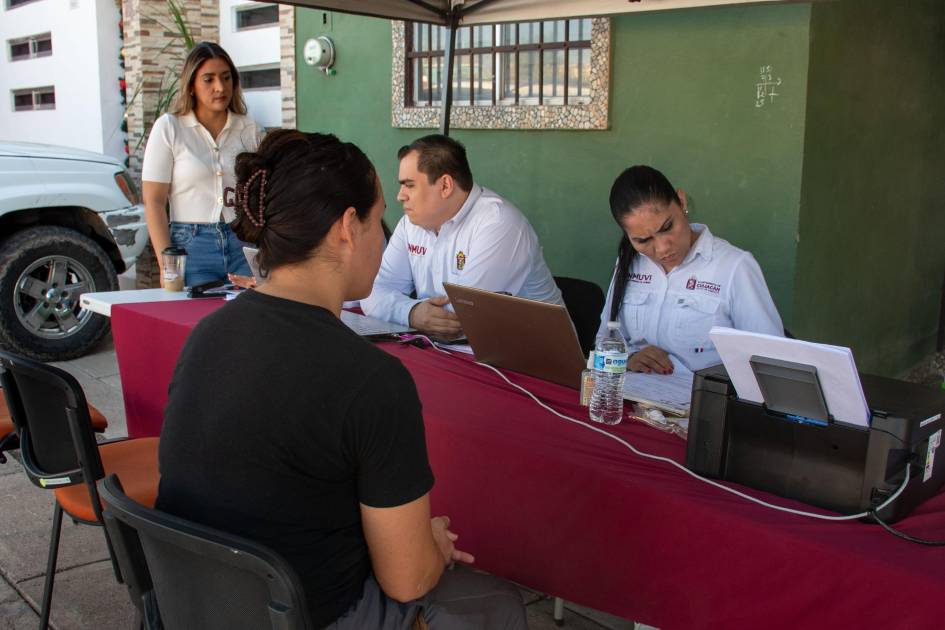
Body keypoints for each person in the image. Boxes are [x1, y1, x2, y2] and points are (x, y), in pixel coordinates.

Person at [156, 129, 528, 630]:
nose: (387, 238)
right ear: (348, 228)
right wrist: (433, 546)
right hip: (305, 615)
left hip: (193, 603)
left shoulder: (208, 333)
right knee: (497, 602)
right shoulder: (371, 380)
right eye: (380, 221)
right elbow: (408, 580)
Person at [361, 134, 563, 338]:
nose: (400, 195)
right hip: (451, 347)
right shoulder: (411, 224)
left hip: (532, 353)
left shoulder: (498, 223)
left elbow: (460, 319)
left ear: (445, 186)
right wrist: (412, 312)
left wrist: (403, 310)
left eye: (409, 185)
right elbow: (371, 293)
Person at [599, 165, 783, 374]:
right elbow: (604, 342)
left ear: (682, 201)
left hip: (704, 393)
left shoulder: (734, 266)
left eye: (667, 227)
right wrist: (628, 359)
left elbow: (771, 361)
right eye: (643, 240)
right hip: (636, 390)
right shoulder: (628, 262)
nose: (662, 248)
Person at [141, 41, 261, 287]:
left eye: (226, 78)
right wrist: (167, 265)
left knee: (250, 311)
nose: (220, 87)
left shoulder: (250, 130)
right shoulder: (170, 128)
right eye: (209, 79)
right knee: (194, 311)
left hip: (243, 242)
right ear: (192, 86)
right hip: (191, 247)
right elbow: (154, 202)